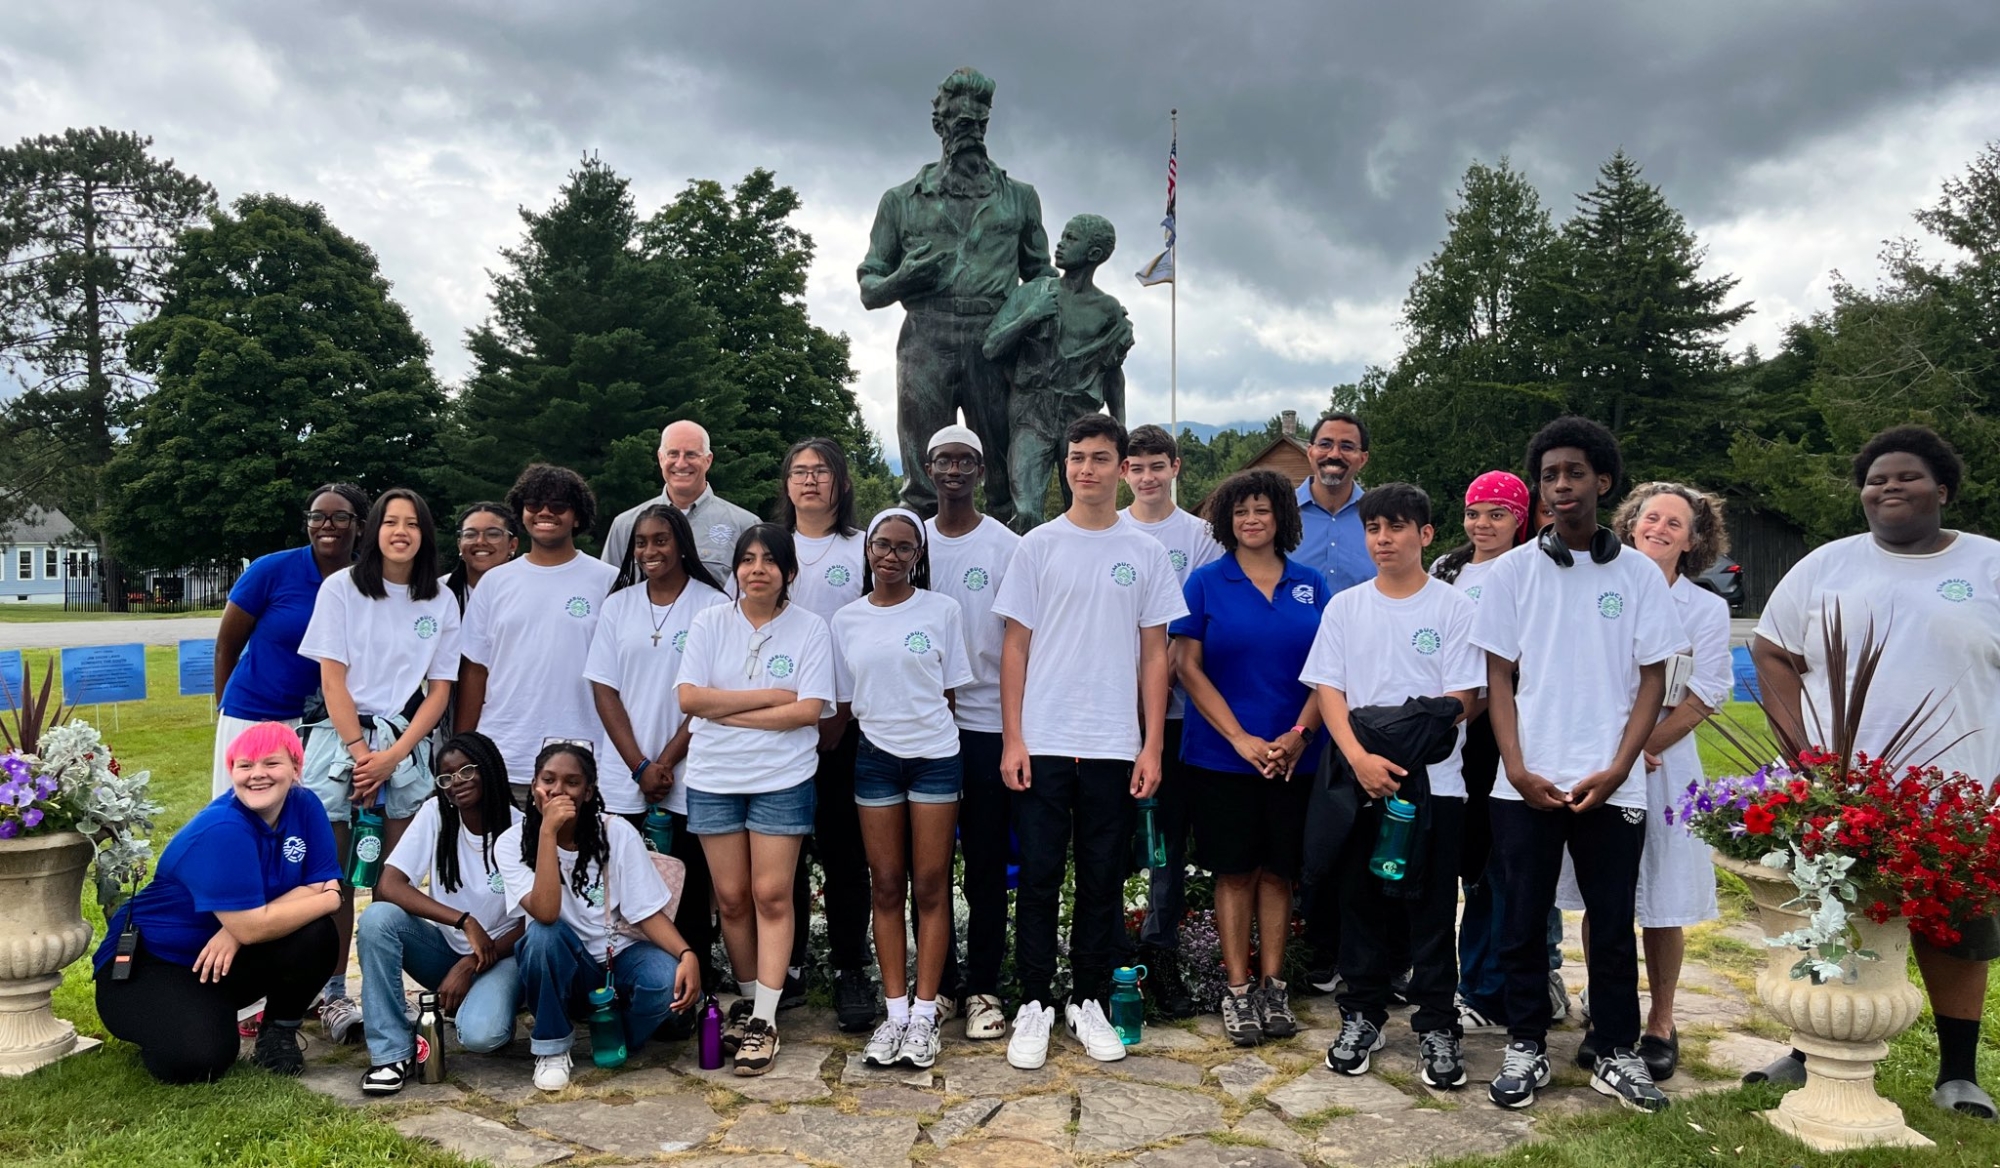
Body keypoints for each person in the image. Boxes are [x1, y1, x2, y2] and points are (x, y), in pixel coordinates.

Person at [1749, 425, 2000, 1119]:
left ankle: (1958, 1073)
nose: (1888, 487)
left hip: (1959, 791)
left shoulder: (1988, 566)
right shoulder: (1828, 566)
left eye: (1907, 476)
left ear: (1942, 488)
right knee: (1830, 917)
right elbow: (1772, 650)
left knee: (1954, 930)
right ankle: (1808, 1051)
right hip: (1842, 790)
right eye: (1875, 479)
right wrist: (1800, 752)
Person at [1471, 416, 1684, 1114]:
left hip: (1611, 784)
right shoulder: (1512, 573)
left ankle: (1617, 1053)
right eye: (1549, 475)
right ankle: (1525, 1045)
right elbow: (1498, 676)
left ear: (1603, 481)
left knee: (1613, 924)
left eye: (1574, 472)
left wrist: (1620, 767)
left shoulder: (1639, 576)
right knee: (1521, 922)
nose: (1561, 485)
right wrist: (1516, 766)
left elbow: (1654, 679)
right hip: (1525, 783)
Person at [993, 413, 1187, 1068]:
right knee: (1040, 876)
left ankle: (1089, 1000)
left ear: (1122, 467)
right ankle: (1035, 1002)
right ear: (1066, 466)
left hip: (1113, 742)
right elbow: (1014, 648)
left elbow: (1156, 656)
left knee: (1103, 879)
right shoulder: (1037, 546)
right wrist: (1013, 738)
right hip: (1044, 739)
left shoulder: (1145, 553)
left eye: (1100, 458)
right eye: (1076, 458)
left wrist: (1151, 745)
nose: (1086, 469)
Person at [1304, 483, 1484, 1089]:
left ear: (1425, 535)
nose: (1383, 539)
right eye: (1374, 528)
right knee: (1360, 903)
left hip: (1436, 783)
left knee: (1431, 911)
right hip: (1359, 781)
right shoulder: (1345, 608)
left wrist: (1401, 753)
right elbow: (1330, 691)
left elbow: (1460, 700)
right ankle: (1362, 1014)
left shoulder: (1454, 609)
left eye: (1397, 527)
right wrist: (1359, 759)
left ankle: (1437, 1024)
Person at [1552, 481, 1729, 1082]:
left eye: (1675, 523)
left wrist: (1645, 746)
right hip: (1598, 755)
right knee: (1603, 894)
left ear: (1693, 541)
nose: (1659, 529)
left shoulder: (1704, 609)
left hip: (1663, 763)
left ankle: (1660, 1021)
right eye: (1651, 518)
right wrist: (1615, 750)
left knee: (1662, 893)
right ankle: (1608, 1017)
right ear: (1630, 525)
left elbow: (1707, 692)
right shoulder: (1601, 589)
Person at [297, 487, 462, 1043]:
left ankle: (387, 994)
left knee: (392, 882)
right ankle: (332, 993)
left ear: (425, 534)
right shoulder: (341, 589)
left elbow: (439, 691)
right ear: (373, 531)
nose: (400, 532)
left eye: (412, 523)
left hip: (404, 748)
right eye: (390, 522)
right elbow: (332, 678)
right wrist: (360, 753)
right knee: (335, 880)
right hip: (340, 745)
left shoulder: (439, 600)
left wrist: (391, 757)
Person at [857, 65, 1054, 525]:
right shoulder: (901, 201)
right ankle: (918, 560)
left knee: (1007, 482)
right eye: (963, 124)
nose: (973, 133)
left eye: (981, 123)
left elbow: (1041, 275)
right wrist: (904, 277)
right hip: (926, 340)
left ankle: (1016, 562)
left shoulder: (1020, 197)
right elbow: (870, 289)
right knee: (923, 482)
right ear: (939, 125)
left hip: (996, 341)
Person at [1171, 469, 1327, 1045]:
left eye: (1262, 509)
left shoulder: (1312, 584)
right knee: (1235, 872)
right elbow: (1186, 667)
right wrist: (1239, 738)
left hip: (1296, 756)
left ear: (1282, 516)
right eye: (1241, 511)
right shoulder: (1205, 583)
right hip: (1221, 757)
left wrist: (1298, 736)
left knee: (1279, 872)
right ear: (1226, 520)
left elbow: (1330, 670)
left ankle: (1273, 988)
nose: (1251, 520)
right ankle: (1237, 991)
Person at [95, 722, 341, 1083]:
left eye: (271, 763)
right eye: (245, 765)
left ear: (295, 768)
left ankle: (278, 1033)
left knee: (316, 934)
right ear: (232, 772)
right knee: (199, 1061)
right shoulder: (223, 827)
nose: (257, 774)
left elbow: (315, 884)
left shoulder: (304, 804)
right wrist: (330, 899)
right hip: (152, 962)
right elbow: (306, 898)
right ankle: (171, 1020)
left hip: (219, 958)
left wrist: (235, 932)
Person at [678, 524, 838, 1076]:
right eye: (747, 560)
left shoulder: (810, 628)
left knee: (771, 894)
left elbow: (808, 710)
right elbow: (689, 698)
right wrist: (770, 697)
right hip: (713, 777)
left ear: (789, 571)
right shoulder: (710, 622)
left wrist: (725, 712)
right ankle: (748, 1001)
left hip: (782, 776)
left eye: (770, 560)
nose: (757, 569)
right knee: (730, 898)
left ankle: (766, 1020)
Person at [834, 509, 973, 1070]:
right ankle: (893, 1014)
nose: (890, 556)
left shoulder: (942, 610)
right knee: (887, 885)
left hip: (935, 760)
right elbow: (844, 703)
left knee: (932, 885)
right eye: (881, 545)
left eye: (903, 547)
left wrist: (925, 737)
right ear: (867, 550)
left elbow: (950, 695)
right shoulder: (846, 619)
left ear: (919, 555)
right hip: (875, 761)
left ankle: (924, 1015)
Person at [1431, 473, 1570, 1033]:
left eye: (1497, 514)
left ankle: (1503, 984)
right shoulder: (1448, 568)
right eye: (1474, 513)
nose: (1482, 524)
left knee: (1507, 867)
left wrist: (1477, 707)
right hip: (1453, 735)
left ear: (1520, 519)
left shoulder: (1534, 569)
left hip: (1504, 729)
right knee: (1469, 867)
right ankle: (1476, 979)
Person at [497, 743, 702, 1091]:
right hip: (564, 962)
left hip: (616, 959)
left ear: (589, 792)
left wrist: (686, 954)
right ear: (533, 786)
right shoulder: (511, 843)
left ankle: (616, 1033)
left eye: (572, 782)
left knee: (664, 977)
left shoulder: (617, 833)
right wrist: (547, 833)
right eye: (548, 780)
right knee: (542, 936)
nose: (558, 790)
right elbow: (545, 912)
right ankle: (552, 1048)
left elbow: (645, 913)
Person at [586, 503, 730, 990]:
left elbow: (712, 692)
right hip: (624, 773)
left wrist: (665, 762)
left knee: (688, 887)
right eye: (641, 542)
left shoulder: (712, 603)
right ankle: (632, 985)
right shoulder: (618, 605)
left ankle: (691, 988)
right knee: (623, 888)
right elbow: (604, 689)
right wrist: (639, 765)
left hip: (691, 771)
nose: (650, 550)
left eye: (661, 540)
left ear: (682, 544)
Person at [1117, 423, 1222, 1017]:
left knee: (1167, 840)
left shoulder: (1201, 536)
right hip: (1114, 716)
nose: (1148, 477)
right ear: (1124, 472)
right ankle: (1109, 955)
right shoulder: (1110, 528)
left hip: (1180, 714)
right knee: (1113, 838)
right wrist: (1131, 699)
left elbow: (1190, 627)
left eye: (1158, 466)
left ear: (1176, 468)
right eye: (1137, 467)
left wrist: (1156, 694)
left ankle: (1160, 953)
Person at [922, 423, 1022, 1041]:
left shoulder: (1007, 547)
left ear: (981, 472)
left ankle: (983, 986)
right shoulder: (909, 540)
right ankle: (938, 986)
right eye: (943, 460)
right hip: (921, 728)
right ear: (928, 468)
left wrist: (1015, 731)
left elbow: (1018, 642)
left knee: (985, 863)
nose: (954, 470)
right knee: (928, 868)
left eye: (965, 461)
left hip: (985, 723)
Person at [357, 731, 525, 1094]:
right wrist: (463, 921)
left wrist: (472, 963)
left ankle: (497, 1006)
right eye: (446, 778)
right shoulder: (436, 813)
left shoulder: (520, 827)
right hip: (445, 952)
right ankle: (391, 1054)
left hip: (503, 956)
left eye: (466, 771)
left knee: (481, 1035)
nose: (456, 783)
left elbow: (533, 921)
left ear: (489, 768)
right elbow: (390, 884)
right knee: (376, 919)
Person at [778, 438, 877, 1029]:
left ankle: (849, 967)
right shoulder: (770, 547)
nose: (810, 480)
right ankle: (785, 965)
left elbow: (873, 630)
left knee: (846, 853)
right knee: (783, 851)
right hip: (776, 727)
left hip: (846, 727)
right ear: (787, 483)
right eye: (800, 471)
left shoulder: (862, 547)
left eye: (821, 471)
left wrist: (840, 711)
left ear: (841, 482)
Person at [458, 465, 619, 803]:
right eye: (534, 504)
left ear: (577, 516)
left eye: (558, 505)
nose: (545, 512)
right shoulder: (494, 583)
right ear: (522, 512)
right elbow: (475, 671)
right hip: (503, 756)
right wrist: (463, 748)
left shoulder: (609, 581)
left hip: (584, 764)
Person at [210, 483, 370, 796]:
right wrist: (224, 709)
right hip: (256, 715)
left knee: (309, 814)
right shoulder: (271, 570)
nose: (326, 525)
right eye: (317, 517)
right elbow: (225, 647)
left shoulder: (367, 582)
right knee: (247, 812)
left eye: (340, 517)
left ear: (360, 526)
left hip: (326, 723)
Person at [1292, 413, 1377, 993]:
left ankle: (1370, 950)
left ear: (1362, 458)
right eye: (1325, 443)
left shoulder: (1378, 518)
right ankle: (1315, 949)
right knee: (1308, 827)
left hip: (1364, 694)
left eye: (1347, 446)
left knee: (1361, 826)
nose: (1334, 454)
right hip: (1290, 688)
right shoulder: (1283, 514)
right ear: (1309, 450)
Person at [984, 213, 1135, 529]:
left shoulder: (1107, 310)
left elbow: (1112, 372)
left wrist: (1120, 427)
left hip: (1080, 418)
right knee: (1026, 511)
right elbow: (991, 347)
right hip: (1031, 413)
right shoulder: (1032, 294)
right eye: (1063, 236)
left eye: (1071, 239)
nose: (1061, 244)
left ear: (1094, 254)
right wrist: (1029, 316)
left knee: (1087, 508)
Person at [600, 420, 759, 584]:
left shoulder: (745, 526)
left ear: (708, 460)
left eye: (691, 454)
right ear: (661, 458)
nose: (681, 464)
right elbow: (608, 588)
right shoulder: (626, 525)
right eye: (673, 454)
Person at [443, 501, 520, 611]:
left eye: (493, 534)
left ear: (512, 545)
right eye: (470, 534)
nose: (480, 541)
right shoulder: (439, 591)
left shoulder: (529, 590)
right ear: (459, 545)